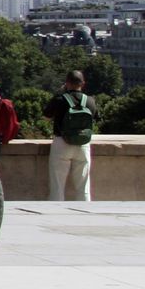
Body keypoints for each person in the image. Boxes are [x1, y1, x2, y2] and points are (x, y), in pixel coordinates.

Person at [45, 70, 96, 201]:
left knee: (57, 186)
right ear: (83, 83)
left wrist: (61, 93)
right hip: (83, 144)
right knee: (83, 186)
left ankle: (56, 211)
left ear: (66, 83)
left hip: (62, 143)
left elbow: (46, 117)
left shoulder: (60, 99)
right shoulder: (90, 101)